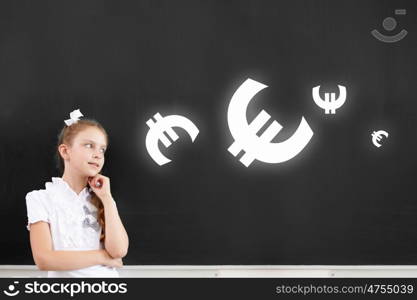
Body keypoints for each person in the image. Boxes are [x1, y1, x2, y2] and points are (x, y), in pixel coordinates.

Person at [25, 109, 129, 277]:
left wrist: (107, 199)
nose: (97, 154)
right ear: (65, 151)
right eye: (89, 145)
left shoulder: (103, 197)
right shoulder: (40, 198)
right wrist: (102, 256)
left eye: (102, 149)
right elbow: (44, 260)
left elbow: (118, 251)